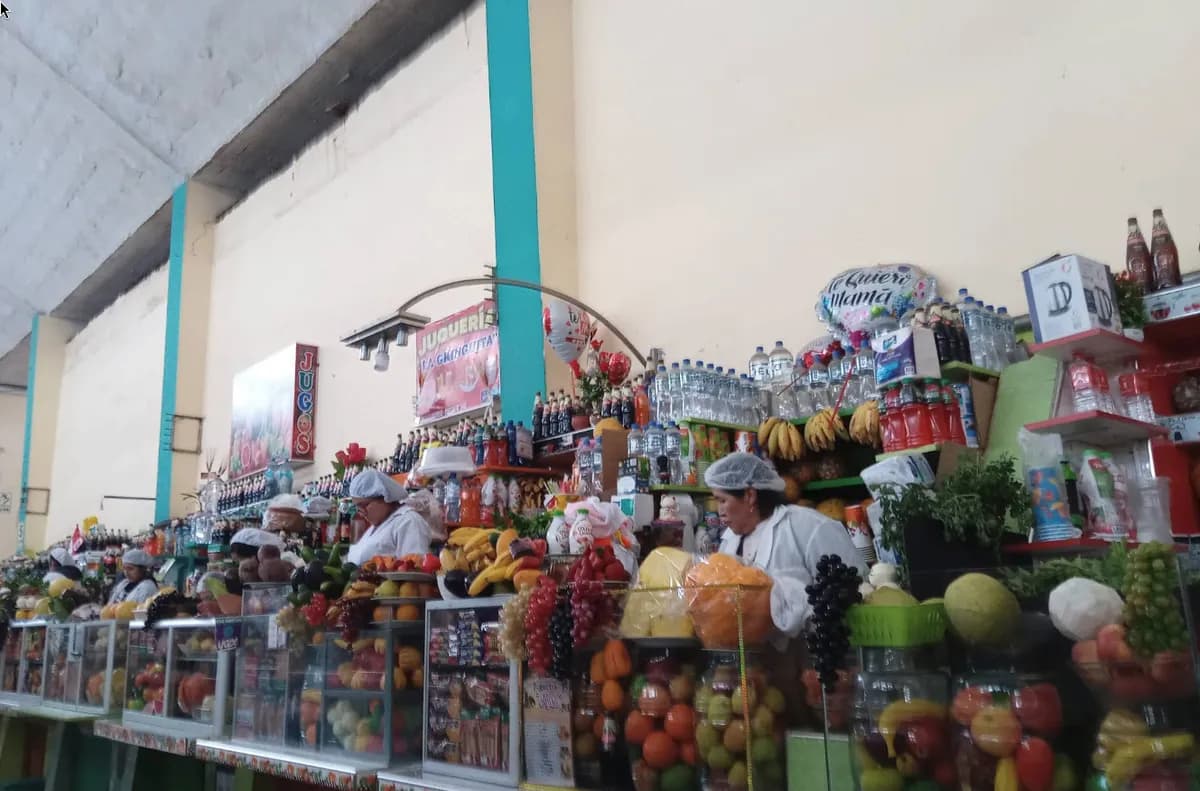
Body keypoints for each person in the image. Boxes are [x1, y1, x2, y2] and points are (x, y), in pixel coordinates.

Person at [703, 452, 868, 642]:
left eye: (722, 500)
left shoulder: (808, 527)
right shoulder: (729, 541)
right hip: (757, 661)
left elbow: (854, 588)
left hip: (814, 656)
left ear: (749, 496)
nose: (719, 512)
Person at [345, 468, 432, 565]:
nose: (361, 513)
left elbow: (414, 567)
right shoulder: (377, 525)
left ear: (385, 497)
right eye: (358, 508)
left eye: (364, 505)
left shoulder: (409, 522)